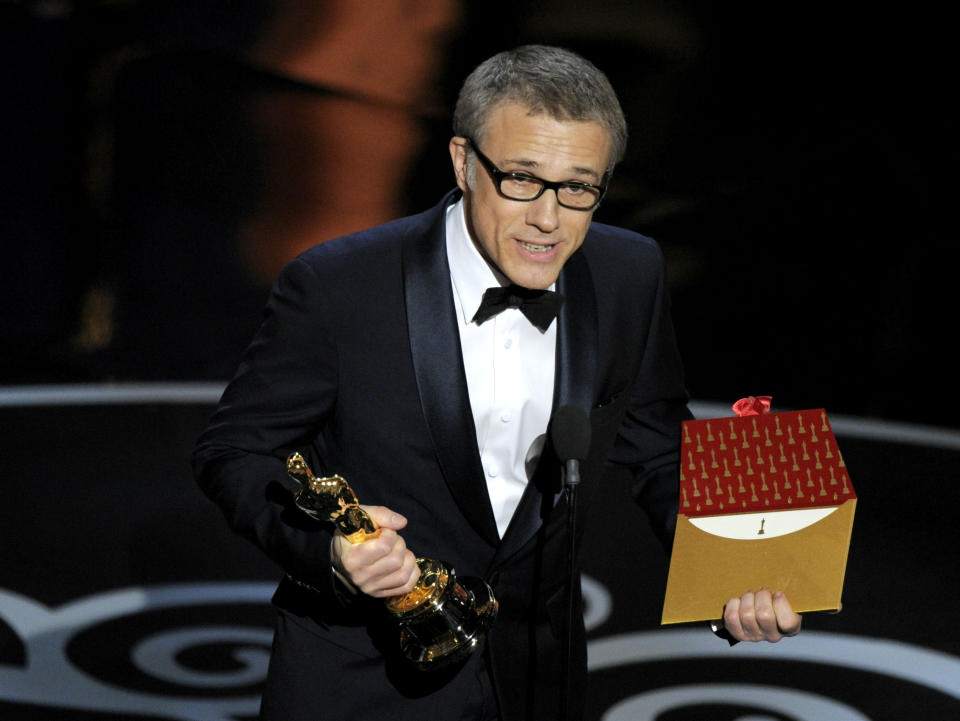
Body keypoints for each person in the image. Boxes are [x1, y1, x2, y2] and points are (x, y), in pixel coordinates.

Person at [192, 44, 801, 721]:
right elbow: (234, 452)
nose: (549, 218)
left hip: (537, 679)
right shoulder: (338, 288)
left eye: (578, 187)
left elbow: (657, 445)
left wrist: (741, 568)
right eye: (522, 178)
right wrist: (332, 554)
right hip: (362, 682)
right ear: (463, 162)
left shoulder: (630, 274)